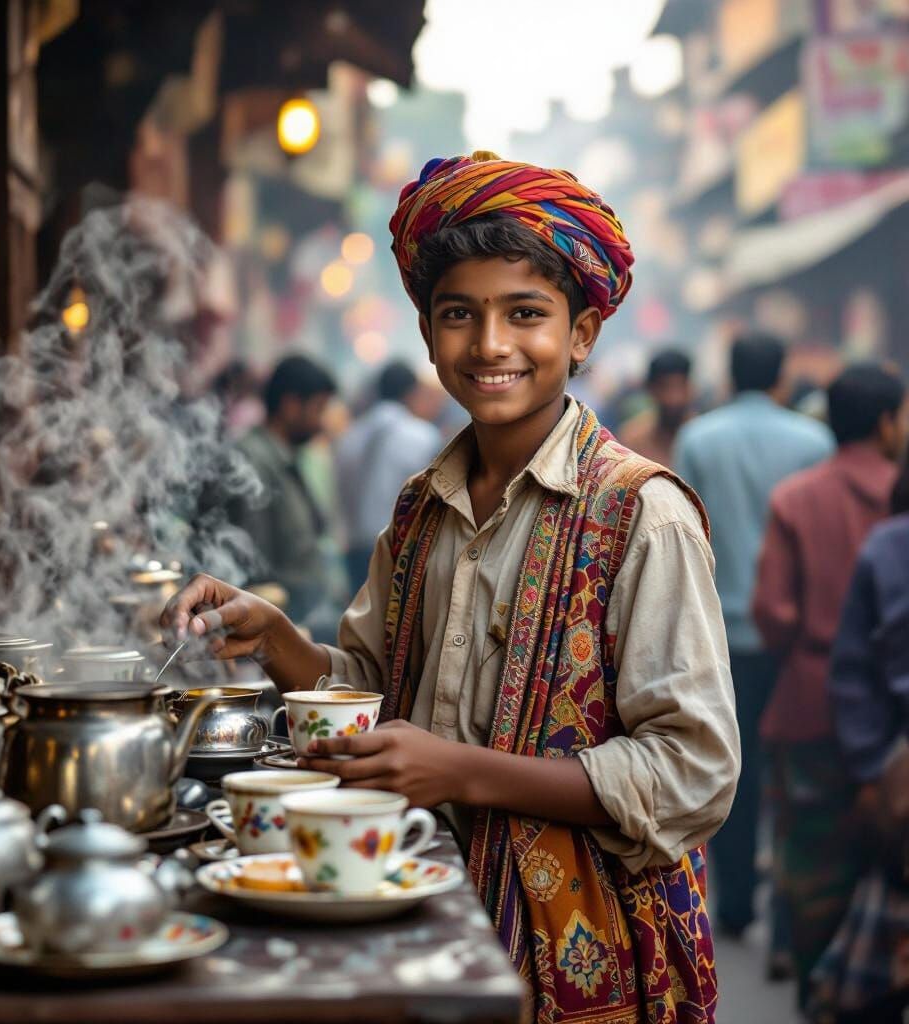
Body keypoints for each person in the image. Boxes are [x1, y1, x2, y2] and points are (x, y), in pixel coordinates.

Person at [163, 152, 739, 1022]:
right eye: (459, 315)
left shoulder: (641, 515)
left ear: (581, 334)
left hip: (587, 957)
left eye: (526, 314)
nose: (491, 344)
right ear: (429, 336)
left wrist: (462, 773)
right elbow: (369, 697)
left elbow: (692, 772)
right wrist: (276, 636)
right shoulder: (420, 510)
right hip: (419, 911)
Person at [751, 363, 906, 1006]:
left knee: (813, 875)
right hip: (897, 731)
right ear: (886, 422)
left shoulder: (796, 496)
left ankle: (819, 992)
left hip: (811, 706)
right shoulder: (896, 500)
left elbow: (772, 612)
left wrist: (811, 647)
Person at [674, 334, 834, 944]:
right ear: (780, 378)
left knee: (730, 771)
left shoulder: (699, 438)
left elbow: (681, 531)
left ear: (729, 371)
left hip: (717, 632)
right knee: (791, 771)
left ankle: (735, 903)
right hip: (794, 636)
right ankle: (793, 917)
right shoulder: (813, 441)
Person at [807, 458, 909, 1023]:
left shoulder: (890, 545)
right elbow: (855, 672)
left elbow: (853, 673)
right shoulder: (890, 547)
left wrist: (870, 766)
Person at [229, 354, 336, 626]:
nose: (321, 421)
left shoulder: (284, 456)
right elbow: (252, 561)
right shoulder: (251, 460)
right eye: (318, 408)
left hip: (300, 613)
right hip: (278, 618)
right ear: (290, 405)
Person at [334, 360, 443, 592]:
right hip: (401, 549)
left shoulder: (350, 436)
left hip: (355, 548)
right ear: (412, 393)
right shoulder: (423, 436)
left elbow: (340, 491)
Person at [617, 348, 694, 467]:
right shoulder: (632, 440)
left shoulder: (703, 439)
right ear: (650, 389)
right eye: (664, 387)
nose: (674, 398)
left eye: (680, 386)